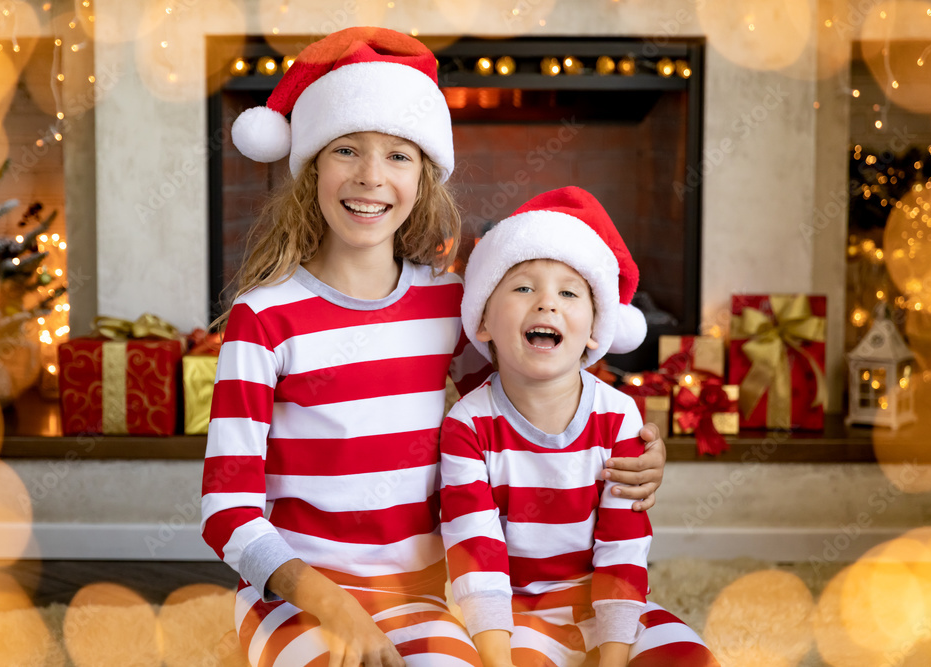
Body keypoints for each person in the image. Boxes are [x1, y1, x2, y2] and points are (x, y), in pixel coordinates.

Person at [201, 28, 667, 667]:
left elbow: (527, 411)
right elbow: (226, 511)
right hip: (300, 600)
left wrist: (633, 451)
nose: (371, 177)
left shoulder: (449, 307)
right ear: (311, 164)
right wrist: (332, 606)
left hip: (420, 594)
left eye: (398, 156)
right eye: (346, 149)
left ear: (424, 177)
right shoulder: (264, 318)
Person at [441, 187, 720, 667]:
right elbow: (477, 554)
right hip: (509, 611)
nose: (547, 304)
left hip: (610, 604)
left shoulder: (619, 417)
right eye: (524, 287)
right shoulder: (467, 425)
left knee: (691, 657)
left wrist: (612, 656)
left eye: (569, 292)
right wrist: (497, 657)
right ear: (483, 318)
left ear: (596, 328)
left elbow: (623, 548)